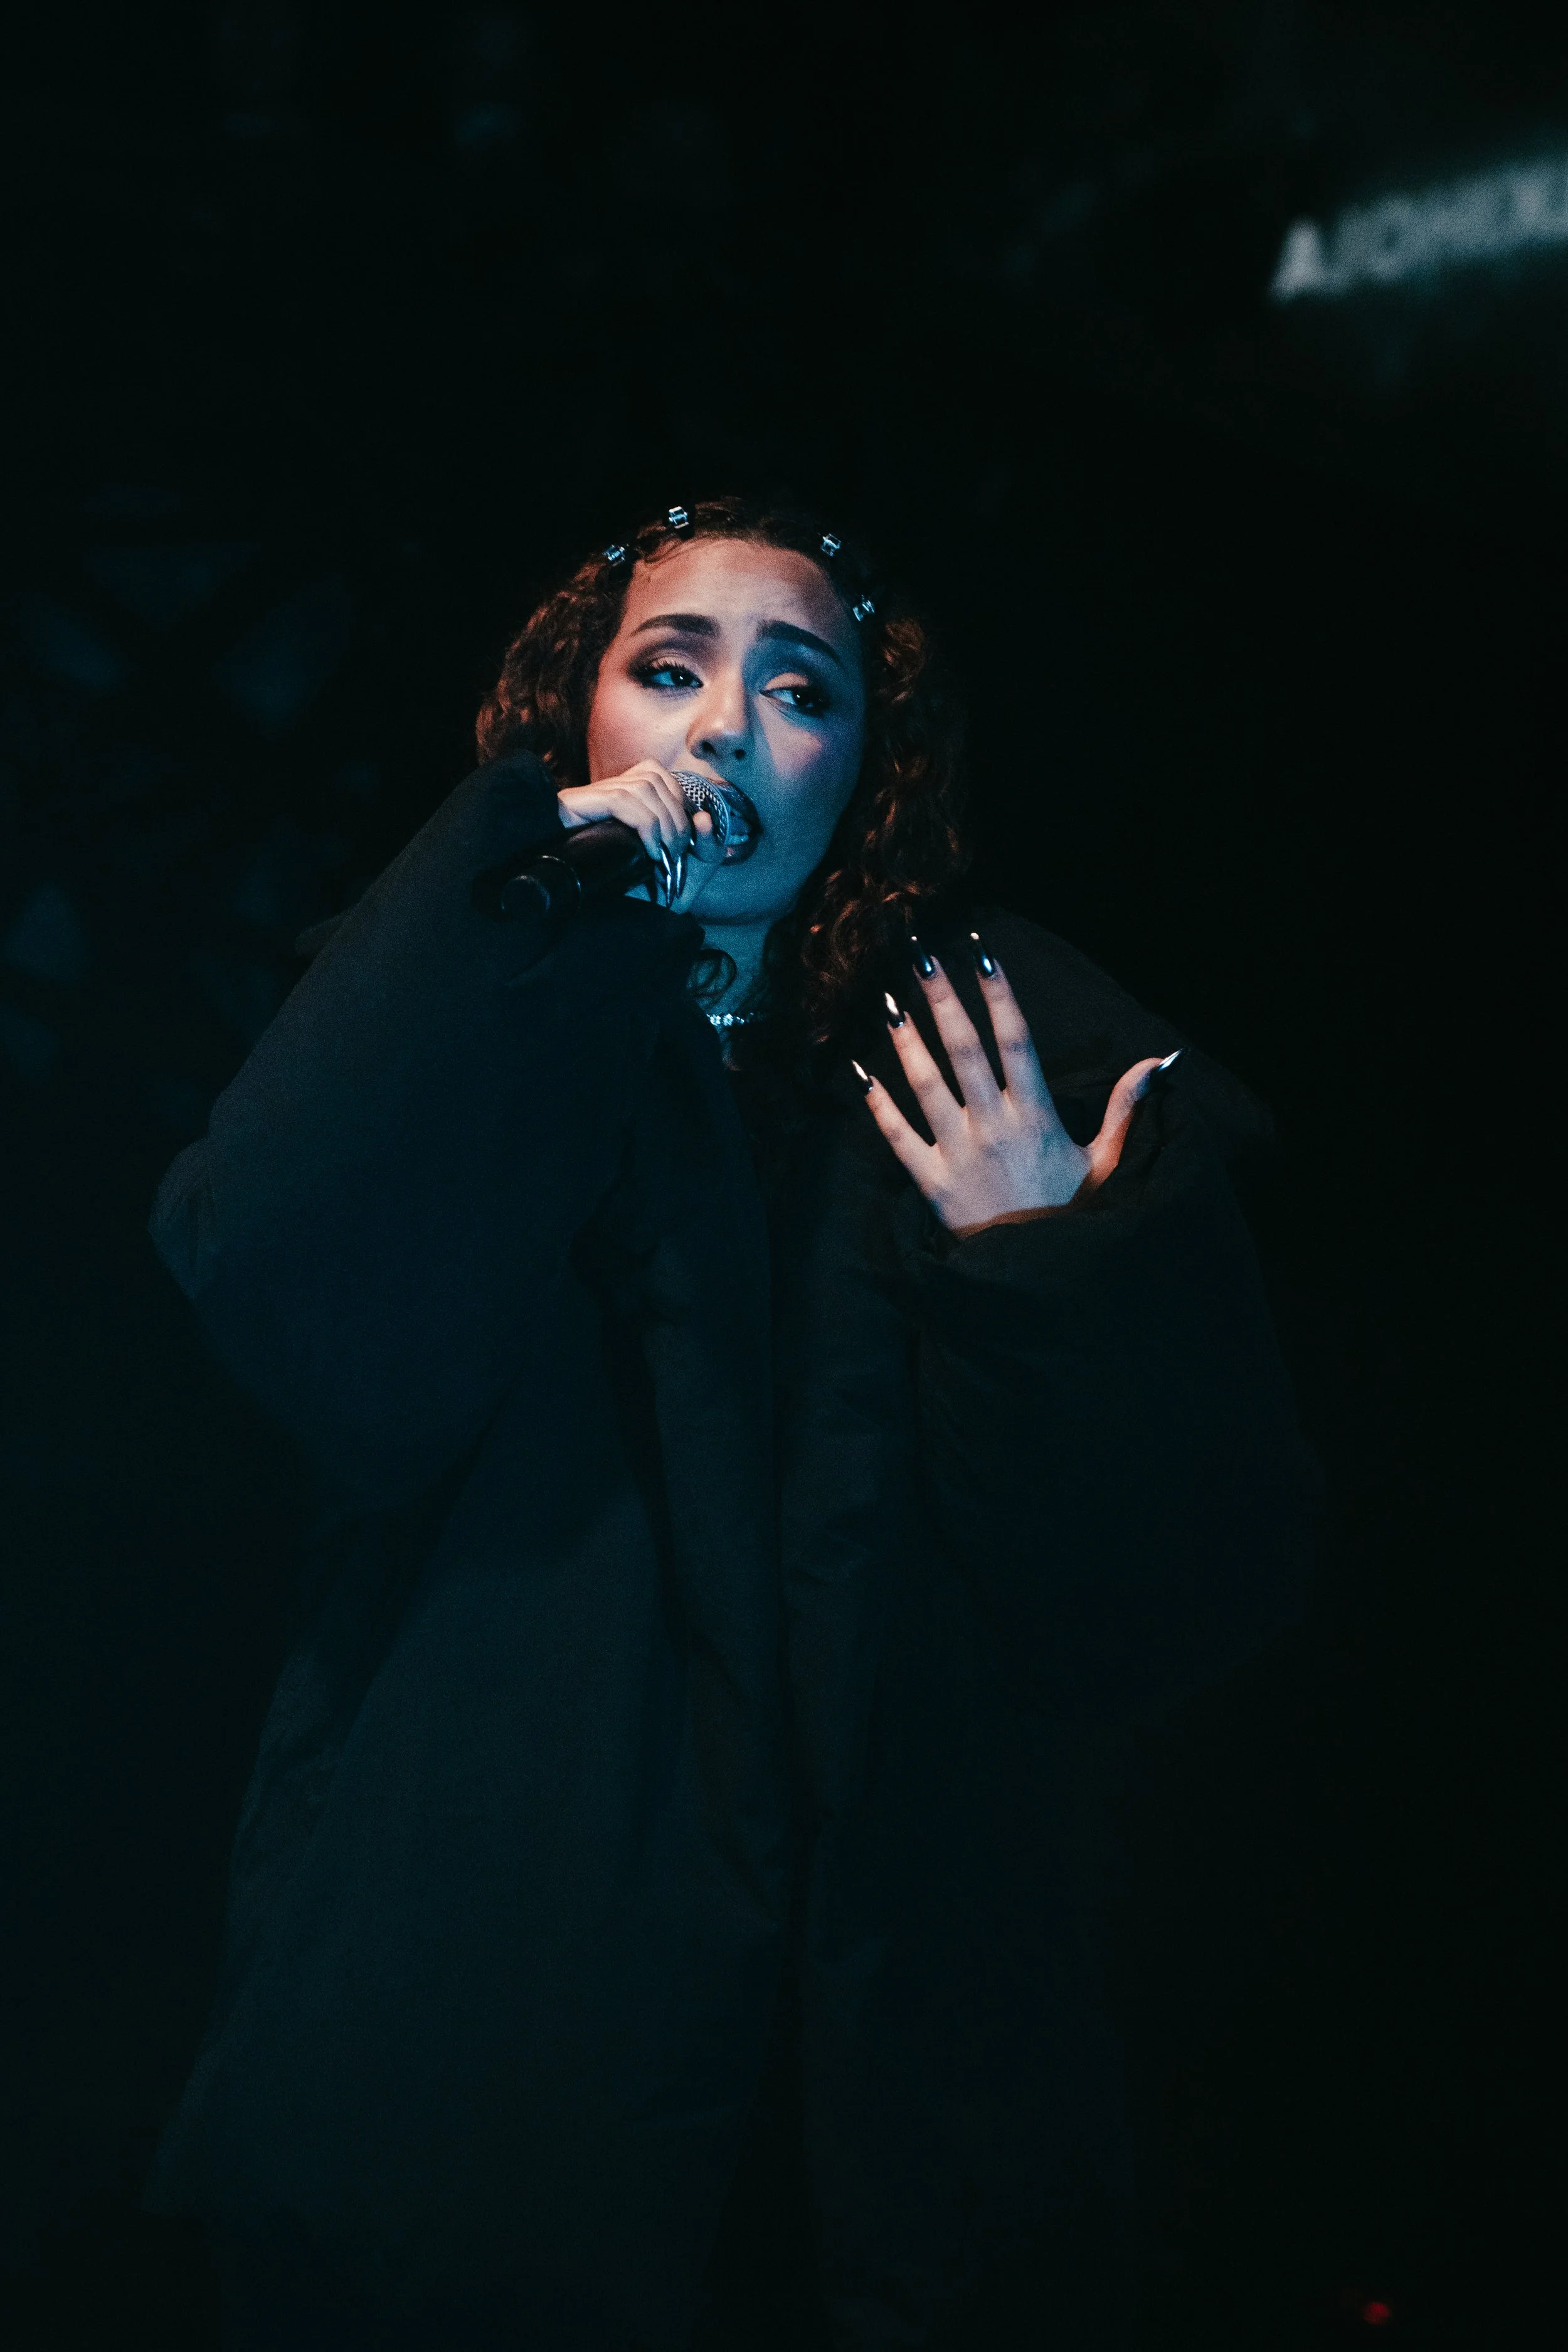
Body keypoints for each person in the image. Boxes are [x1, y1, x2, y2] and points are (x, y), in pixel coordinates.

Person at [144, 496, 1318, 2350]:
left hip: (854, 2095)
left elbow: (1168, 1593)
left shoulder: (991, 1070)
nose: (722, 729)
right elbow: (265, 1269)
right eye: (668, 669)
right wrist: (509, 883)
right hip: (474, 2051)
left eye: (800, 690)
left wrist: (1037, 1257)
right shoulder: (467, 1006)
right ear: (580, 723)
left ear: (862, 764)